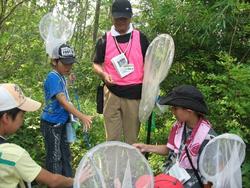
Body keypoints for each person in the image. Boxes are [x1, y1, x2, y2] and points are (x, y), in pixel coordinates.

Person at [0, 83, 92, 188]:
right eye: (22, 115)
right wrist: (76, 180)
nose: (22, 120)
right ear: (6, 118)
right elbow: (53, 181)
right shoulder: (13, 155)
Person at [133, 85, 216, 188]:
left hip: (190, 184)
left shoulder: (208, 138)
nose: (172, 111)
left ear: (189, 111)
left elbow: (209, 177)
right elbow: (170, 149)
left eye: (175, 108)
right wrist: (145, 147)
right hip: (170, 177)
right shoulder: (178, 126)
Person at [92, 0, 149, 144]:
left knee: (132, 139)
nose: (121, 21)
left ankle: (130, 166)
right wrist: (104, 74)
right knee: (111, 139)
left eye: (124, 18)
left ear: (130, 17)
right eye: (118, 18)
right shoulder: (104, 40)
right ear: (112, 17)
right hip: (111, 93)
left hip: (134, 95)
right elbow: (96, 64)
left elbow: (150, 64)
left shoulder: (140, 38)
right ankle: (113, 166)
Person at [40, 43, 93, 177]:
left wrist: (68, 81)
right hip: (52, 124)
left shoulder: (60, 76)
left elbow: (62, 92)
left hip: (61, 122)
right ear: (54, 61)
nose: (69, 67)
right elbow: (63, 102)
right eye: (65, 64)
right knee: (55, 157)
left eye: (70, 64)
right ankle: (55, 182)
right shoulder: (53, 77)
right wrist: (82, 116)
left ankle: (68, 181)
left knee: (65, 154)